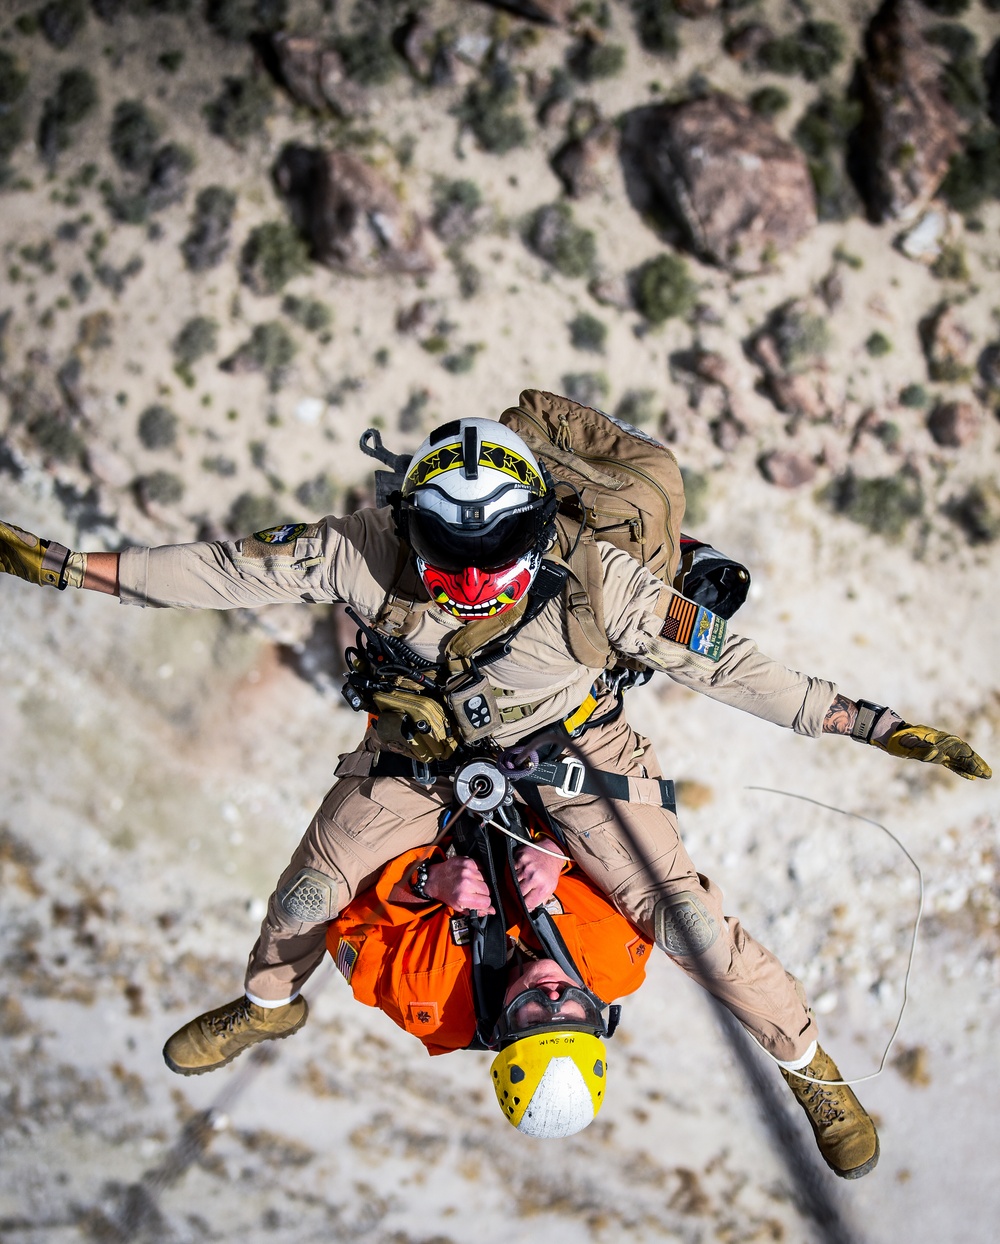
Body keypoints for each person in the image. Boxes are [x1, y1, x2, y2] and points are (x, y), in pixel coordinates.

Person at [0, 410, 989, 1180]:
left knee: (313, 895)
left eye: (527, 1012)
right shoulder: (371, 547)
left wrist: (434, 881)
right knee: (677, 918)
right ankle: (267, 1007)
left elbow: (726, 664)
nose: (471, 582)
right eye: (449, 558)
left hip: (543, 748)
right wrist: (84, 571)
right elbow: (231, 568)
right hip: (437, 751)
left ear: (499, 1035)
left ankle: (809, 1070)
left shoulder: (433, 1000)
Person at [320, 815, 649, 1138]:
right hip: (536, 787)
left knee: (309, 894)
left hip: (421, 819)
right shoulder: (621, 952)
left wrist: (424, 883)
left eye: (537, 1020)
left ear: (502, 1030)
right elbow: (636, 845)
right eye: (573, 1015)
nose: (554, 998)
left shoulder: (427, 1004)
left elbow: (348, 930)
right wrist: (557, 849)